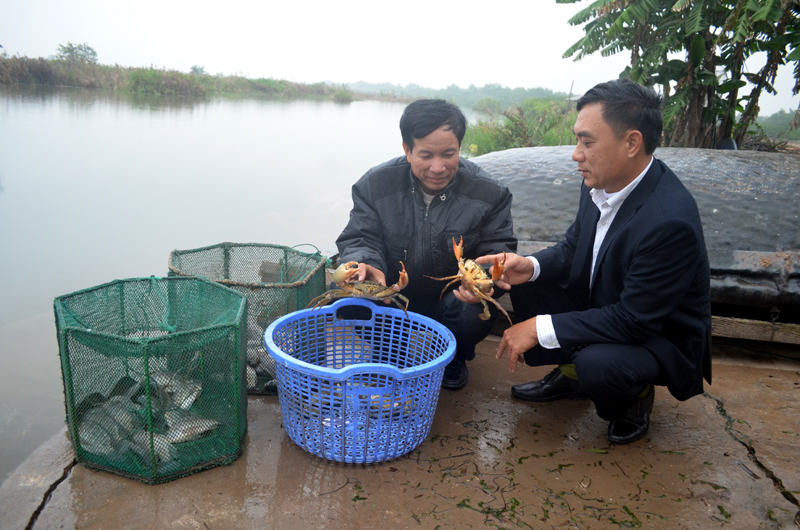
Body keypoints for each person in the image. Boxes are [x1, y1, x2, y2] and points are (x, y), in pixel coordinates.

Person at [471, 79, 712, 444]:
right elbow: (572, 249)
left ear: (632, 142)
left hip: (656, 335)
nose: (576, 154)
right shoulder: (602, 182)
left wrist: (539, 328)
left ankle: (634, 397)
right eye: (577, 141)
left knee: (599, 365)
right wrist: (529, 266)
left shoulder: (668, 221)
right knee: (524, 281)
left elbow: (635, 320)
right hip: (612, 304)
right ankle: (572, 374)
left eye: (587, 142)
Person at [335, 98, 517, 390]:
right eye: (425, 155)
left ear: (460, 147)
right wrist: (366, 263)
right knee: (347, 293)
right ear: (407, 149)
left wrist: (483, 282)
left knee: (474, 310)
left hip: (453, 296)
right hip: (393, 291)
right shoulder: (375, 184)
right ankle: (388, 350)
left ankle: (454, 356)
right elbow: (360, 236)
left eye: (449, 154)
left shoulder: (489, 192)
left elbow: (499, 249)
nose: (438, 167)